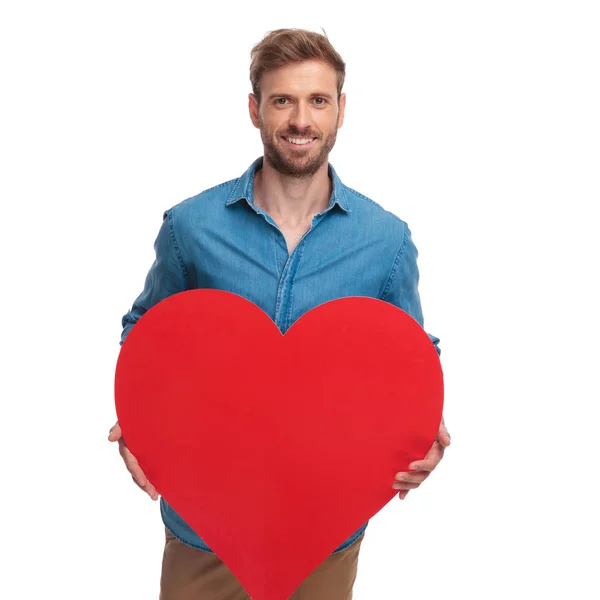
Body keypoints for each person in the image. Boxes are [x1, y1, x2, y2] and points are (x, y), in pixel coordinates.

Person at [109, 27, 451, 600]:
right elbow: (147, 336)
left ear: (341, 111)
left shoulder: (386, 241)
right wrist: (140, 427)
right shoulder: (190, 228)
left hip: (325, 533)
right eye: (282, 100)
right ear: (254, 109)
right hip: (204, 533)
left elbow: (410, 356)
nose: (300, 120)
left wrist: (425, 436)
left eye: (318, 101)